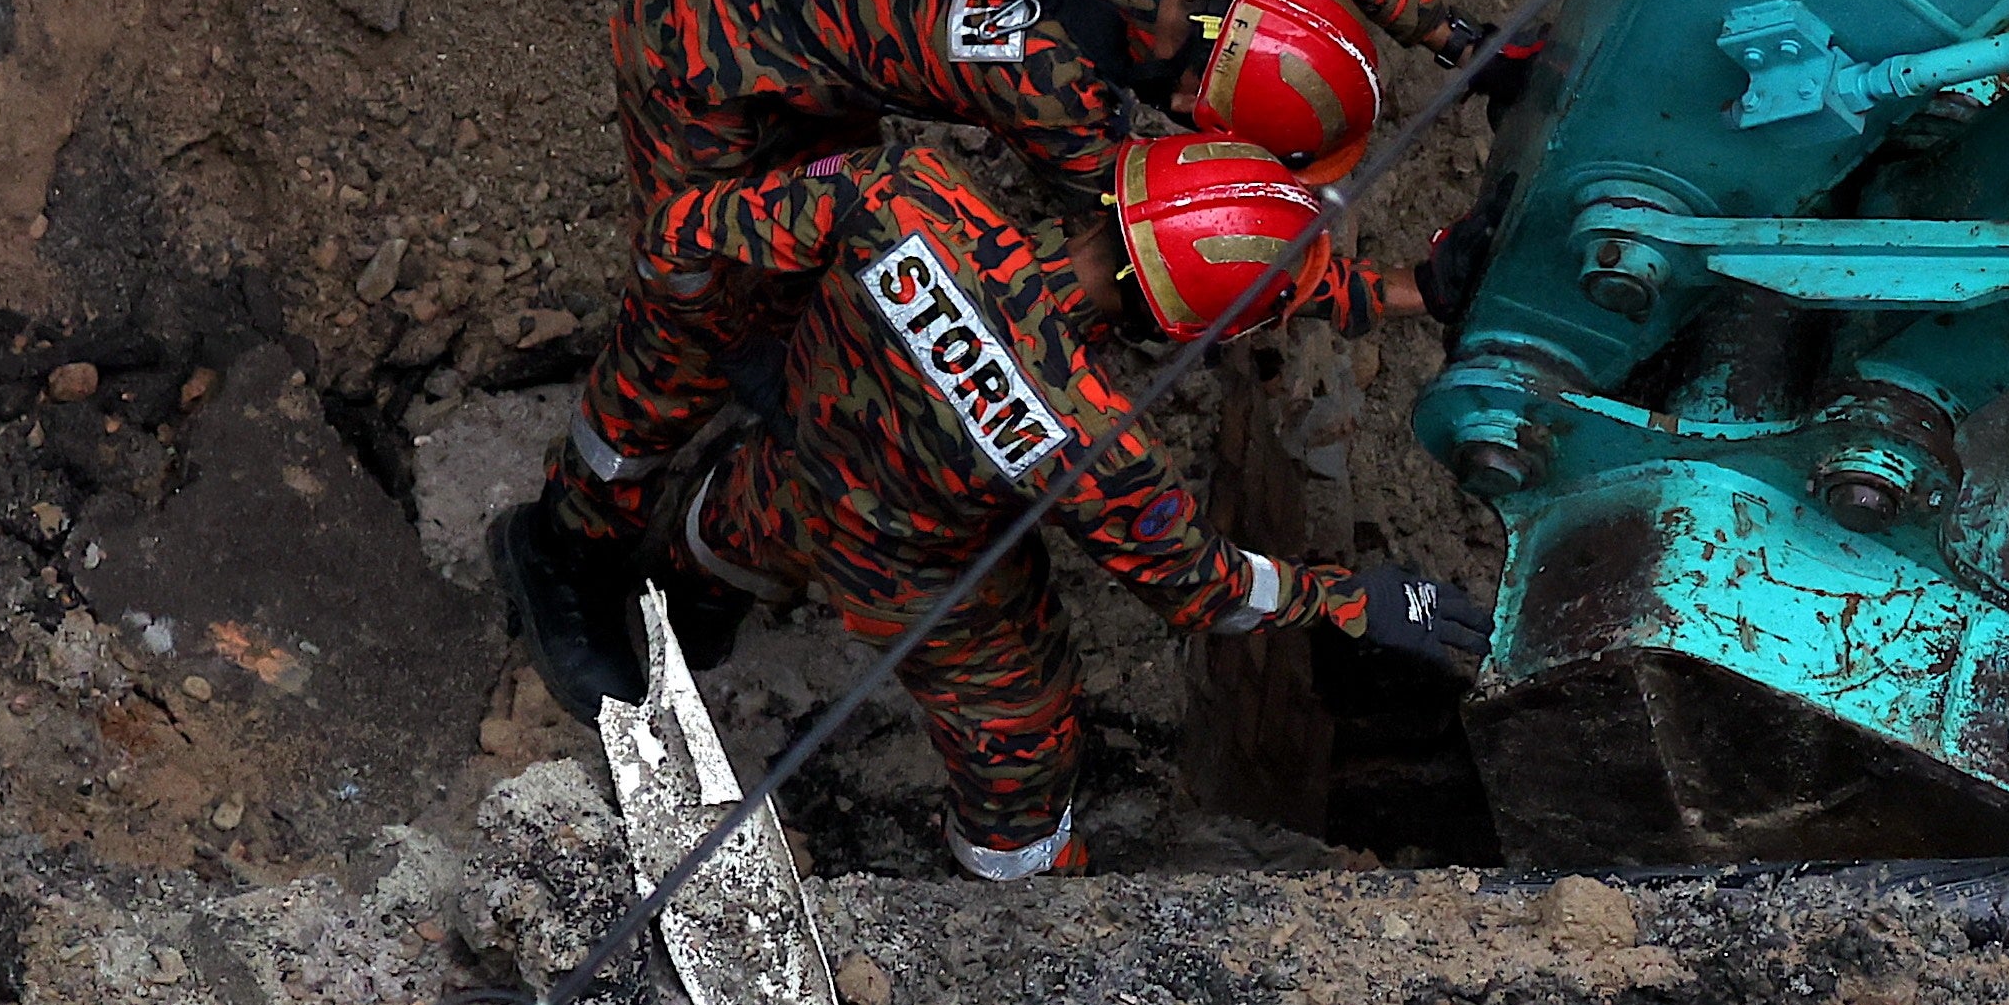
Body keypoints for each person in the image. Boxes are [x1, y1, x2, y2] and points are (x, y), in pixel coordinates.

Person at [495, 0, 1487, 714]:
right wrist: (1390, 293)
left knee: (811, 289)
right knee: (687, 314)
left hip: (788, 5)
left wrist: (1454, 35)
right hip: (705, 58)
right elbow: (1187, 262)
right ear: (1194, 119)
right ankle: (566, 541)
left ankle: (760, 453)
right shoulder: (1066, 96)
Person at [635, 130, 1487, 877]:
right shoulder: (1093, 444)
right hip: (919, 578)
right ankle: (1018, 904)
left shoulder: (902, 187)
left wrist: (735, 348)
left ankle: (681, 592)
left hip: (798, 457)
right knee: (1023, 740)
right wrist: (1348, 600)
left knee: (738, 515)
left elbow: (685, 231)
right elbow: (1204, 590)